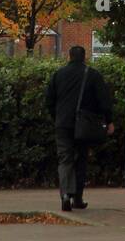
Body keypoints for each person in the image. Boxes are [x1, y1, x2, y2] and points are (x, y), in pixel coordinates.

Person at [45, 45, 114, 211]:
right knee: (81, 159)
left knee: (65, 159)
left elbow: (49, 101)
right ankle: (78, 197)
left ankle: (65, 195)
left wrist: (57, 118)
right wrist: (109, 121)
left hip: (62, 124)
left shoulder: (58, 75)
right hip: (83, 126)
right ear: (84, 57)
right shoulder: (92, 75)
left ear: (69, 57)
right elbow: (104, 101)